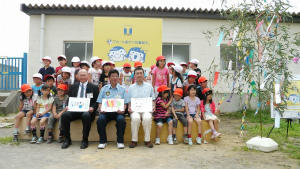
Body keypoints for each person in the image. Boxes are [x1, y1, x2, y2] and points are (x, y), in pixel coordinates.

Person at [61, 69, 99, 149]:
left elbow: (96, 101)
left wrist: (93, 108)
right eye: (80, 75)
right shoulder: (73, 87)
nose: (82, 77)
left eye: (84, 75)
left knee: (86, 115)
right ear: (77, 76)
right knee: (64, 115)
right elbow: (70, 99)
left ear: (87, 76)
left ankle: (85, 140)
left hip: (87, 111)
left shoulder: (94, 87)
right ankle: (67, 139)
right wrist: (68, 106)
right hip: (74, 110)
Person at [96, 69, 128, 149]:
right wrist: (101, 109)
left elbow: (125, 103)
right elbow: (100, 102)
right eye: (112, 76)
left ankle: (120, 141)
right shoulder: (104, 89)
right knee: (100, 120)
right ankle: (103, 141)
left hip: (118, 112)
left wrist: (123, 110)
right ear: (109, 78)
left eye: (116, 76)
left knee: (121, 120)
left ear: (118, 78)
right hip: (106, 112)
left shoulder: (123, 89)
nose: (115, 78)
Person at [128, 67, 155, 148]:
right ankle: (134, 140)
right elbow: (129, 101)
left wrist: (153, 107)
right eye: (137, 73)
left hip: (146, 110)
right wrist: (129, 108)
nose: (139, 75)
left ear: (144, 75)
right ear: (134, 75)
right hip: (135, 110)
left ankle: (147, 140)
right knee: (135, 118)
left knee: (147, 118)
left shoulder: (149, 86)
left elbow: (153, 100)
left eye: (141, 73)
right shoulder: (131, 87)